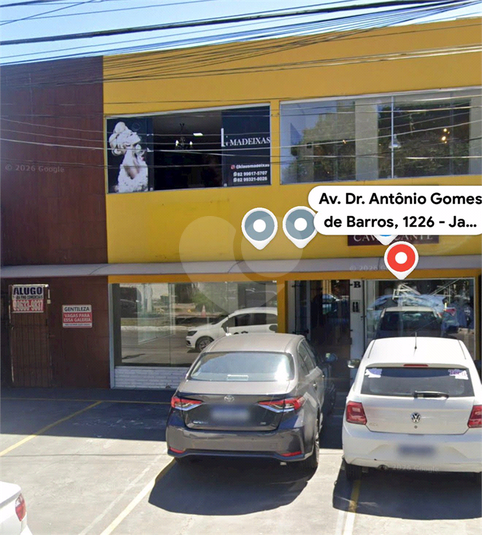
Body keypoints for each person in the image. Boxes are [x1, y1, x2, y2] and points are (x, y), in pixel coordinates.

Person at [109, 122, 148, 192]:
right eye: (131, 134)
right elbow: (142, 184)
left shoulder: (134, 157)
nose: (135, 133)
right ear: (127, 143)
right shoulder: (129, 160)